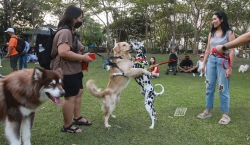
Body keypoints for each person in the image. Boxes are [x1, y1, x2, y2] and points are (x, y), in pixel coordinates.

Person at [50, 5, 93, 133]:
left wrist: (80, 48)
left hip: (74, 68)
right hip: (65, 70)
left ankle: (77, 117)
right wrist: (83, 57)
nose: (81, 20)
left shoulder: (71, 32)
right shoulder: (65, 32)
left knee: (78, 92)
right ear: (74, 17)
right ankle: (67, 126)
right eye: (80, 18)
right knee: (70, 96)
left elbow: (71, 47)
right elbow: (63, 52)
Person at [197, 11, 235, 125]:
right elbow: (208, 49)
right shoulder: (211, 34)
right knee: (209, 87)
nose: (213, 21)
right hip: (211, 62)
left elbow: (232, 51)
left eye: (215, 19)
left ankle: (225, 114)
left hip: (223, 62)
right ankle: (208, 111)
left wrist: (229, 67)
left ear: (221, 19)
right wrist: (203, 64)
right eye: (212, 19)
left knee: (222, 88)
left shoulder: (229, 33)